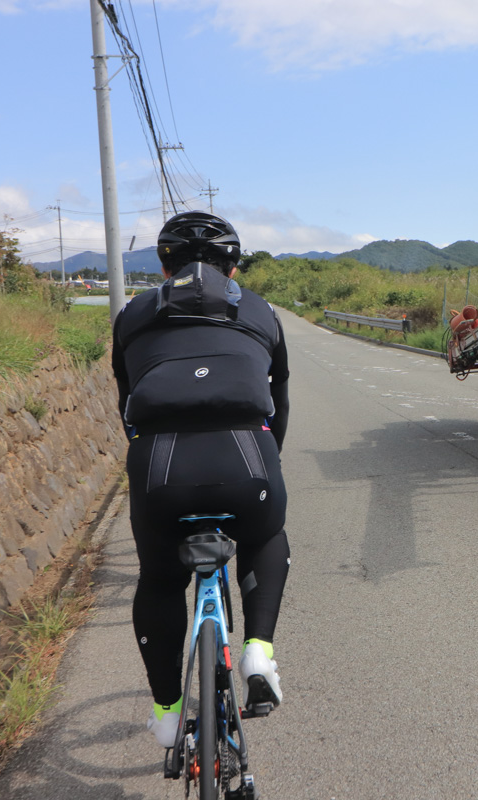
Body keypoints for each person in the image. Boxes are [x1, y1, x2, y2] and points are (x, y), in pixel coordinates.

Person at [111, 211, 291, 748]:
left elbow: (127, 405)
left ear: (164, 264)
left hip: (158, 466)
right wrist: (268, 463)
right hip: (248, 458)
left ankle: (167, 714)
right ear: (233, 266)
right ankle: (258, 650)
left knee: (161, 580)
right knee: (265, 536)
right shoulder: (262, 311)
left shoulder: (131, 316)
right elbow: (277, 403)